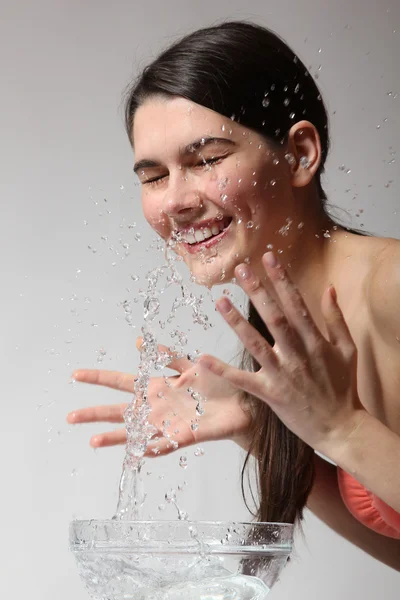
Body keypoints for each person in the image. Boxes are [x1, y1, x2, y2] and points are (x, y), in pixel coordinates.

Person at [67, 21, 400, 570]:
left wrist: (342, 429)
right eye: (153, 177)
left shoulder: (391, 287)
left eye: (205, 160)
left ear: (299, 154)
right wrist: (260, 421)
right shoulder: (293, 329)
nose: (173, 202)